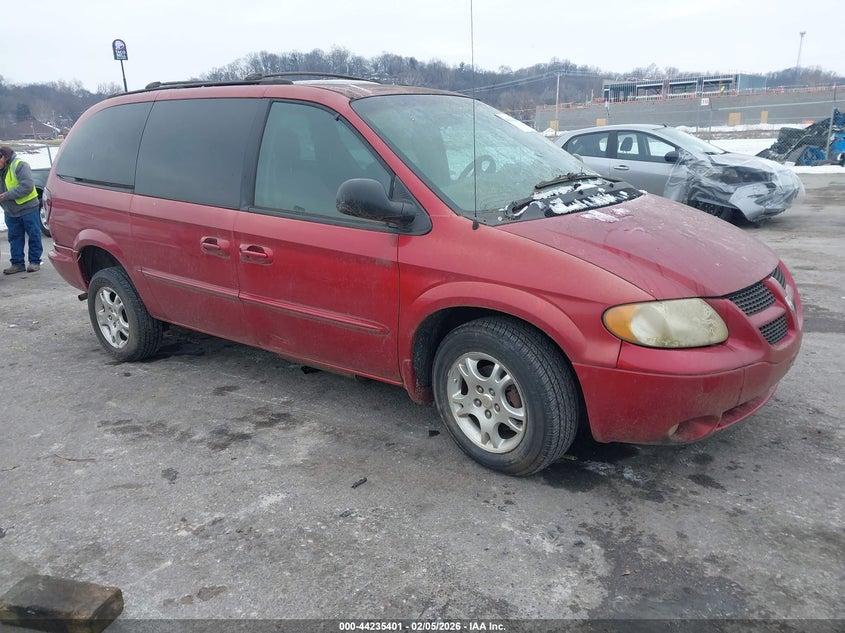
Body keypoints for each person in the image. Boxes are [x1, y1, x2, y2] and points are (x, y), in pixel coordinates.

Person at [0, 145, 43, 274]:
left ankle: (34, 261)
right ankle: (17, 263)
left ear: (4, 157)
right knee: (14, 237)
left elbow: (27, 186)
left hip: (28, 208)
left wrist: (6, 195)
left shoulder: (19, 165)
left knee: (33, 234)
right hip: (10, 211)